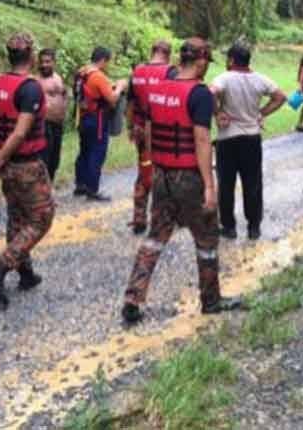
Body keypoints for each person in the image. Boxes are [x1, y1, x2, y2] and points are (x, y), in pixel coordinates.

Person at [121, 38, 243, 325]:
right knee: (207, 239)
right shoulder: (199, 93)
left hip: (163, 175)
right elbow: (202, 140)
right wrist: (210, 187)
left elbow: (149, 131)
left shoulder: (159, 88)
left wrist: (156, 165)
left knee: (155, 237)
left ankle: (133, 296)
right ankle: (211, 301)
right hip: (189, 177)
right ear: (200, 61)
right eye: (206, 62)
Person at [0, 33, 56, 308]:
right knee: (41, 217)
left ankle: (26, 274)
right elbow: (21, 132)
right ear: (32, 56)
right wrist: (1, 158)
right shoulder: (30, 88)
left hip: (7, 165)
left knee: (17, 217)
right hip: (25, 165)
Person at [210, 42, 287, 240]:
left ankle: (229, 227)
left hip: (228, 138)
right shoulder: (260, 79)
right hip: (252, 138)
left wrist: (217, 112)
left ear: (231, 60)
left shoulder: (224, 78)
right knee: (253, 182)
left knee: (226, 184)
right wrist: (261, 113)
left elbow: (210, 92)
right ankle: (254, 227)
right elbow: (280, 97)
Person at [127, 40, 175, 234]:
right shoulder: (170, 72)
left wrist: (130, 126)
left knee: (144, 170)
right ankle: (162, 218)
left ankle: (139, 217)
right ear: (168, 54)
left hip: (140, 128)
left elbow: (130, 103)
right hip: (162, 130)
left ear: (152, 51)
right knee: (165, 172)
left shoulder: (137, 71)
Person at [73, 46, 128, 201]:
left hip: (82, 117)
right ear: (103, 60)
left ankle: (80, 184)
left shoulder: (81, 72)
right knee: (97, 153)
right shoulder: (98, 76)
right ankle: (92, 189)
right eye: (107, 62)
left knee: (84, 151)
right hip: (96, 120)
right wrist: (120, 87)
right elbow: (112, 98)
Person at [36, 48, 67, 182]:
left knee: (55, 160)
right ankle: (42, 191)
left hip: (57, 124)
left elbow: (63, 94)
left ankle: (49, 189)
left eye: (48, 61)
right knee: (44, 160)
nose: (44, 65)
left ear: (54, 62)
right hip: (44, 124)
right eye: (42, 62)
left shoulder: (58, 78)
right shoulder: (36, 80)